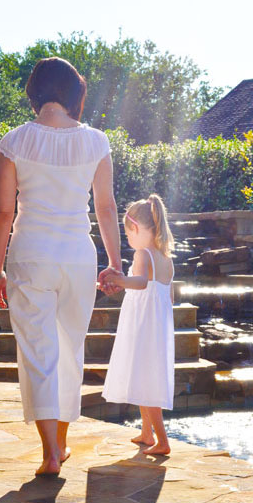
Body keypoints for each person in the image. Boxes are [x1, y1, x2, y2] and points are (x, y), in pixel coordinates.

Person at [0, 57, 122, 475]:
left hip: (30, 255)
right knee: (69, 349)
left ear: (35, 92)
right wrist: (115, 263)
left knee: (38, 352)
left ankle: (49, 451)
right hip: (78, 257)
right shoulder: (96, 141)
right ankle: (61, 444)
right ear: (73, 93)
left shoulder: (14, 142)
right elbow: (105, 207)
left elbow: (2, 212)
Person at [100, 194, 175, 455]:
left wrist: (118, 281)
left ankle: (162, 441)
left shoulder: (143, 254)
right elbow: (169, 296)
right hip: (156, 327)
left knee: (146, 382)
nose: (128, 240)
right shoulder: (165, 258)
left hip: (143, 326)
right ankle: (146, 433)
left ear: (137, 229)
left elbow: (141, 283)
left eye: (128, 234)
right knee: (145, 377)